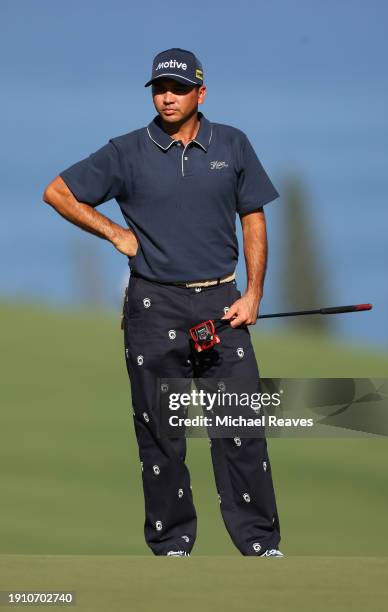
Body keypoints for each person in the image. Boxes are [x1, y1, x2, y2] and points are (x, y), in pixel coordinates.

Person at [43, 48, 283, 558]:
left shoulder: (232, 144)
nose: (167, 97)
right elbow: (59, 192)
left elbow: (254, 219)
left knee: (241, 428)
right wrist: (114, 233)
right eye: (159, 88)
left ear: (201, 92)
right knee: (160, 434)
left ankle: (260, 546)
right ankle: (172, 546)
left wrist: (255, 293)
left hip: (223, 304)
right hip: (153, 310)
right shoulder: (127, 151)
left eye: (177, 88)